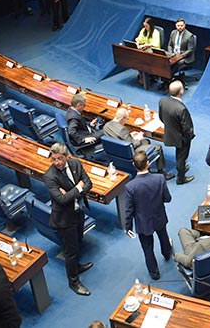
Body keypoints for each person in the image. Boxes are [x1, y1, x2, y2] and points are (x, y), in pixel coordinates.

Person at [43, 142, 93, 295]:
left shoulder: (75, 163)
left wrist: (70, 192)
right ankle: (74, 281)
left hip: (78, 211)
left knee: (78, 242)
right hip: (64, 219)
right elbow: (62, 200)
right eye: (53, 159)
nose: (56, 162)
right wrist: (78, 187)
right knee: (70, 251)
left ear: (66, 156)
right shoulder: (49, 176)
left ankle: (77, 267)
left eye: (59, 159)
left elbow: (89, 183)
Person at [125, 150, 173, 280]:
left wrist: (128, 227)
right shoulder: (160, 178)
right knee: (164, 237)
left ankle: (154, 273)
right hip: (159, 216)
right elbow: (168, 198)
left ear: (133, 164)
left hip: (143, 222)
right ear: (148, 163)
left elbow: (128, 209)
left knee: (147, 248)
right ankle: (167, 254)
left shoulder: (130, 186)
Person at [102, 107, 172, 179]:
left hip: (115, 151)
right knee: (158, 147)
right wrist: (138, 138)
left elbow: (117, 138)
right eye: (126, 119)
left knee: (146, 141)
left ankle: (144, 165)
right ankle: (161, 172)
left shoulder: (106, 126)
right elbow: (132, 145)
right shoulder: (122, 129)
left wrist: (130, 135)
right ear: (121, 118)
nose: (126, 121)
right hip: (128, 153)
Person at [158, 80, 196, 185]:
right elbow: (187, 128)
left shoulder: (162, 101)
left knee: (180, 155)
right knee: (182, 156)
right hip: (181, 138)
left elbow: (161, 117)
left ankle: (181, 167)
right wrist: (189, 137)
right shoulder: (181, 108)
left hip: (170, 133)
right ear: (181, 92)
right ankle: (181, 178)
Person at [65, 93, 104, 159]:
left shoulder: (71, 110)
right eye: (84, 105)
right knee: (106, 130)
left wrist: (90, 124)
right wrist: (83, 140)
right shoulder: (73, 117)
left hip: (85, 131)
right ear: (78, 105)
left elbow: (79, 125)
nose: (84, 107)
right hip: (85, 136)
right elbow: (71, 131)